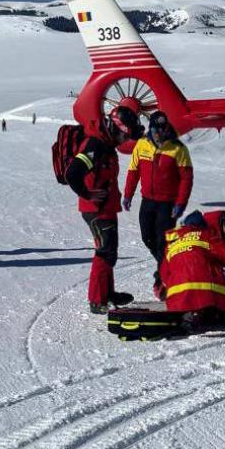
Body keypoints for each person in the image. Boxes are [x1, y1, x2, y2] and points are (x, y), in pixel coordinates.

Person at [65, 105, 142, 314]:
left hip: (106, 207)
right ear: (115, 128)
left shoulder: (105, 144)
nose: (123, 142)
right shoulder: (94, 145)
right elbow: (72, 173)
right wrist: (87, 194)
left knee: (110, 251)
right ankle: (97, 300)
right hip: (95, 209)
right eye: (123, 137)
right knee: (104, 252)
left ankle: (108, 293)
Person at [123, 111, 193, 281]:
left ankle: (164, 277)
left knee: (163, 241)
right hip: (148, 201)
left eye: (161, 129)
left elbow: (186, 178)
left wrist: (180, 203)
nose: (157, 132)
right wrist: (128, 195)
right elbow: (133, 171)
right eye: (155, 128)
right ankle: (169, 265)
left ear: (166, 128)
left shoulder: (178, 148)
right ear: (150, 128)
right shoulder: (141, 145)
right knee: (147, 237)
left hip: (167, 203)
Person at [157, 210, 225, 323]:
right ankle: (208, 311)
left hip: (177, 302)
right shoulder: (207, 235)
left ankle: (188, 314)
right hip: (207, 299)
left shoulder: (172, 244)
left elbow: (164, 275)